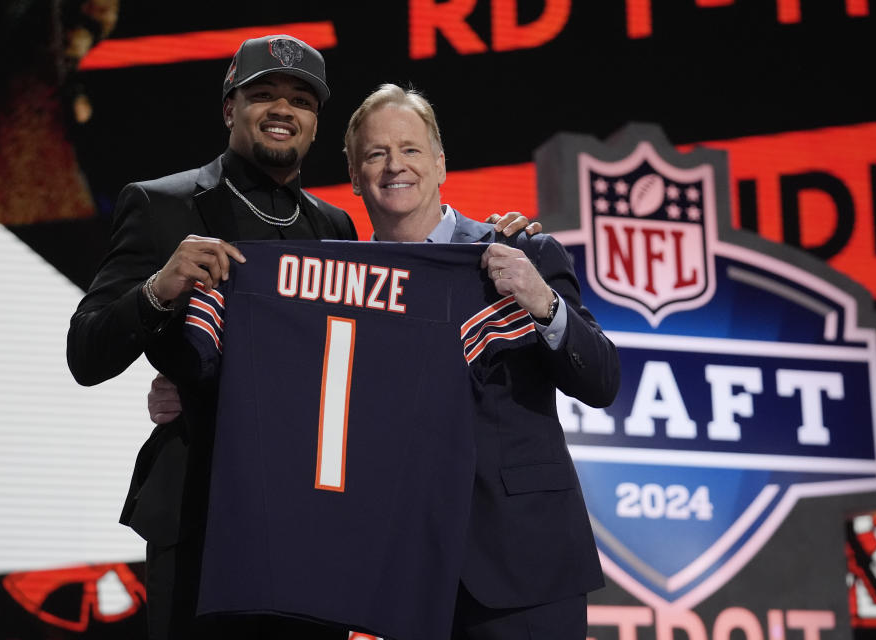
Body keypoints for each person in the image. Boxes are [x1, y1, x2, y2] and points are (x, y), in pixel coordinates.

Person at [68, 36, 534, 640]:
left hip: (312, 521)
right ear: (230, 108)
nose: (282, 109)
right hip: (201, 515)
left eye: (301, 100)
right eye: (262, 94)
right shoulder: (162, 205)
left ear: (316, 124)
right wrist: (158, 290)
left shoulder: (332, 225)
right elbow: (86, 353)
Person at [149, 84, 620, 639]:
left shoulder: (521, 253)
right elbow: (292, 386)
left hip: (521, 565)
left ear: (441, 164)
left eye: (411, 150)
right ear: (353, 175)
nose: (395, 165)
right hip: (398, 572)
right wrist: (187, 384)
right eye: (375, 154)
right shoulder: (336, 287)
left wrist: (543, 302)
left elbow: (602, 379)